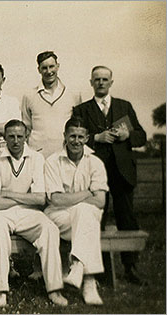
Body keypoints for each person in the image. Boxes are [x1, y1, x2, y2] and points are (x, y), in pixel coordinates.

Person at [72, 66, 147, 285]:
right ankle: (100, 269)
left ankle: (131, 267)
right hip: (95, 172)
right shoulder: (82, 110)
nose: (101, 83)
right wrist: (97, 137)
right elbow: (75, 138)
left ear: (111, 82)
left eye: (105, 79)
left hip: (123, 173)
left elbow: (141, 137)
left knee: (127, 218)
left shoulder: (124, 106)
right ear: (91, 82)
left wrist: (128, 134)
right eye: (97, 79)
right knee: (96, 219)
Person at [0, 119, 67, 307]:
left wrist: (8, 193)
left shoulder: (37, 158)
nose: (16, 141)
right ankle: (0, 290)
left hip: (29, 213)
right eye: (11, 137)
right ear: (4, 138)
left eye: (19, 137)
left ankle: (54, 289)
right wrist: (24, 196)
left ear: (26, 137)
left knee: (50, 229)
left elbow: (40, 199)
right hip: (3, 213)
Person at [44, 117, 109, 305]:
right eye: (72, 136)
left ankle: (79, 266)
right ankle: (89, 282)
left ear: (87, 138)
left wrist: (73, 199)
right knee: (86, 214)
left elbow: (101, 201)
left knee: (85, 212)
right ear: (64, 136)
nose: (76, 141)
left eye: (81, 136)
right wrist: (87, 192)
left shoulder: (95, 162)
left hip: (85, 216)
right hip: (59, 217)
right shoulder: (53, 161)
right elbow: (55, 199)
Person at [21, 51, 82, 158]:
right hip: (37, 154)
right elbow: (26, 128)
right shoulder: (29, 96)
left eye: (51, 66)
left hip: (64, 153)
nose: (49, 71)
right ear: (39, 69)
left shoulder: (73, 94)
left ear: (57, 67)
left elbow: (78, 126)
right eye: (44, 68)